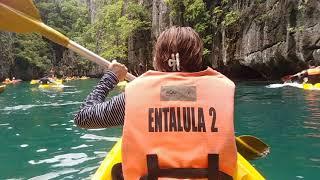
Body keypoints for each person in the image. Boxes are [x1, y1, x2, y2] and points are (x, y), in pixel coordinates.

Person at [74, 26, 237, 179]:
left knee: (117, 171)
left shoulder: (133, 97)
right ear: (198, 58)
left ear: (158, 59)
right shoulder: (223, 89)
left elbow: (83, 117)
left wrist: (111, 77)